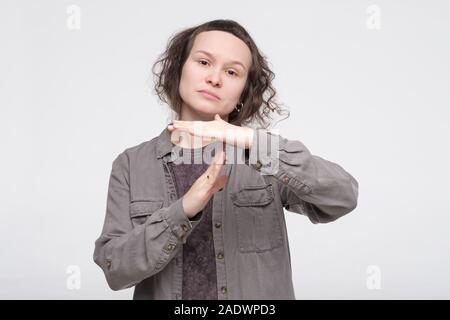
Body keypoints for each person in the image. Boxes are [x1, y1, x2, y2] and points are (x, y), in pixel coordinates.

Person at [93, 19, 359, 300]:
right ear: (179, 68)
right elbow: (116, 269)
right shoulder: (132, 164)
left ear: (244, 92)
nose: (215, 78)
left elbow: (342, 196)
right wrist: (182, 211)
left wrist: (249, 140)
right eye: (204, 62)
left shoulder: (263, 155)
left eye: (232, 72)